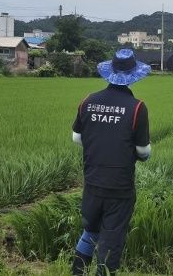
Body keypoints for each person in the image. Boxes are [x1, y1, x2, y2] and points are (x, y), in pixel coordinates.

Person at [70, 48, 151, 276]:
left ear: (110, 72)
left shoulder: (88, 101)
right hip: (119, 188)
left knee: (91, 230)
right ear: (134, 74)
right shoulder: (137, 108)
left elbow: (77, 137)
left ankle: (77, 273)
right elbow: (143, 151)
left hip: (93, 181)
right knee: (111, 241)